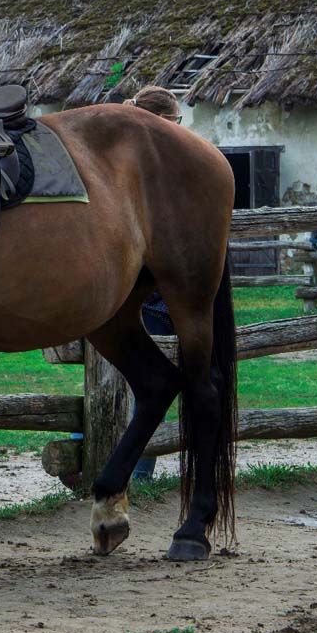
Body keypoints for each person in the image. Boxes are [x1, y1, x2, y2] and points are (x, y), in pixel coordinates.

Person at [125, 86, 181, 479]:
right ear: (161, 121)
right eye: (177, 122)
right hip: (158, 299)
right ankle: (139, 473)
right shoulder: (160, 169)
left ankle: (83, 448)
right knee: (149, 386)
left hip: (133, 295)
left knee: (129, 380)